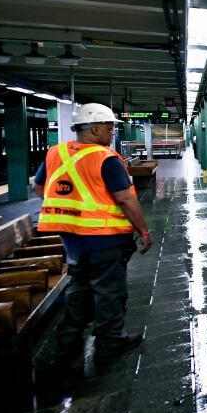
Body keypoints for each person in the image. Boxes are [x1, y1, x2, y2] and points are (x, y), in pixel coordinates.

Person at [32, 103, 154, 371]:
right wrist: (143, 230)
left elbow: (39, 186)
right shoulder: (105, 158)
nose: (112, 134)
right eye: (110, 128)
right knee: (109, 291)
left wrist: (69, 207)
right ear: (95, 129)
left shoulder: (56, 153)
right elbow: (125, 199)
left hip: (72, 239)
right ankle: (110, 345)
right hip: (105, 238)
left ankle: (67, 344)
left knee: (79, 287)